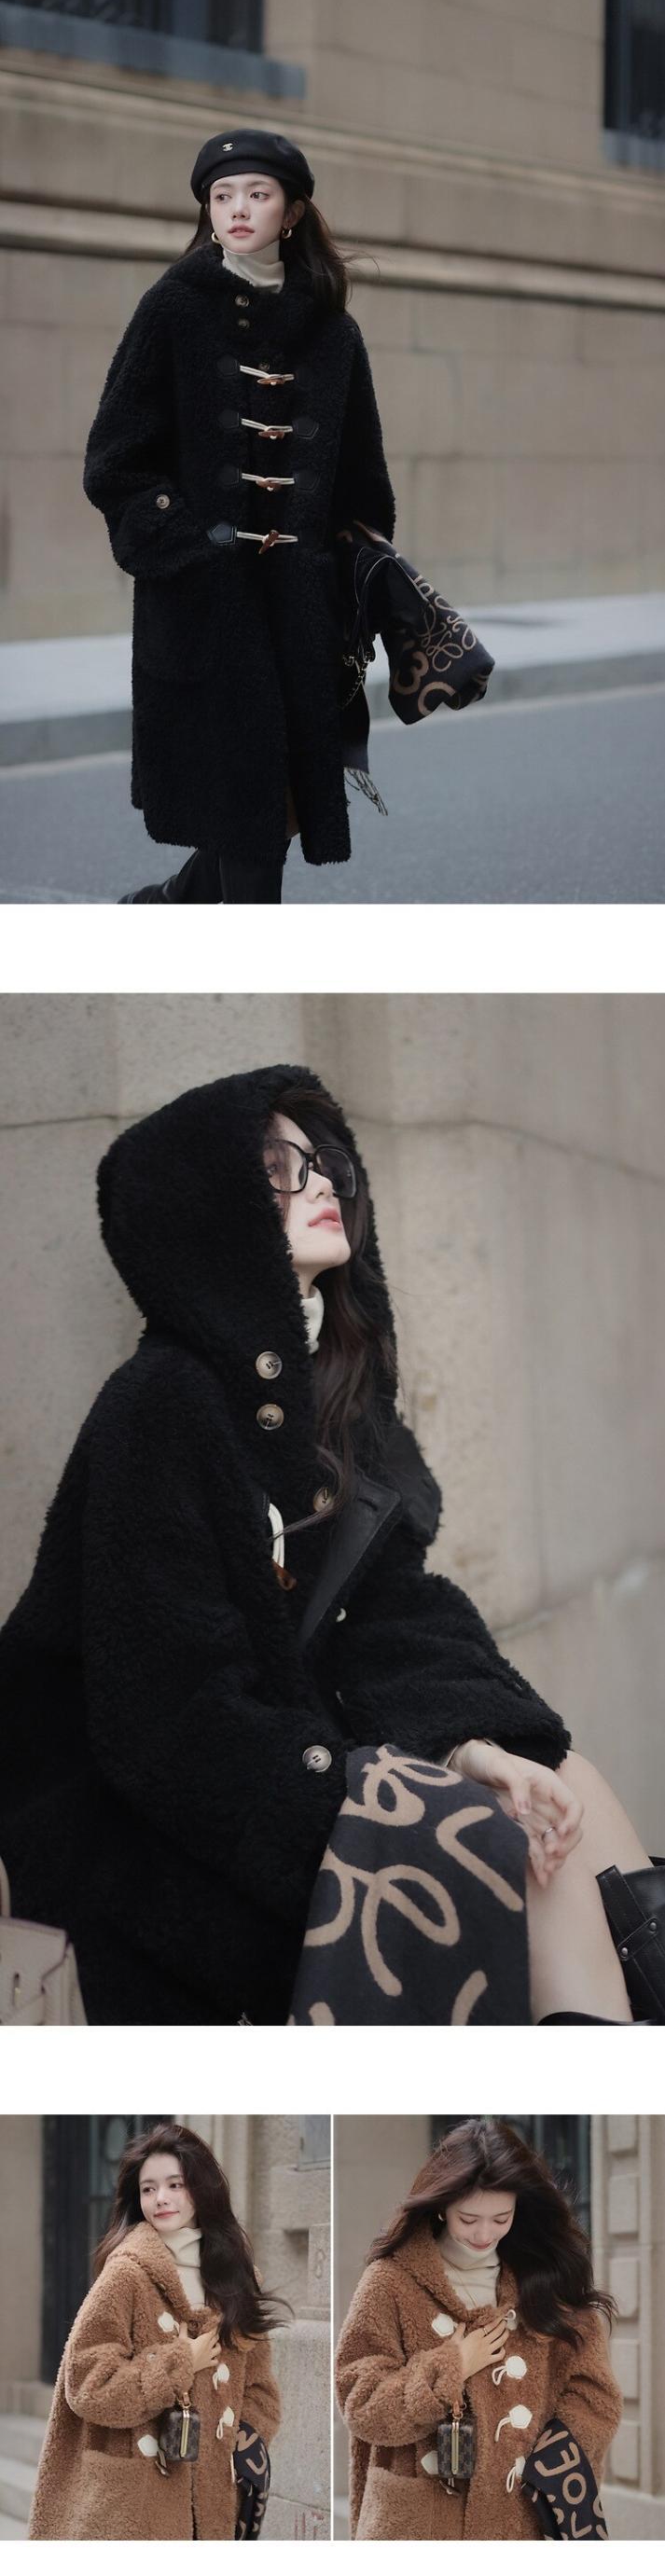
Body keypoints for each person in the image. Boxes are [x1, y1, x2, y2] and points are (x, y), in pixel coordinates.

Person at [0, 1065, 658, 2029]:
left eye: (327, 1164)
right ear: (210, 1207)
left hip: (296, 1768)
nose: (319, 1184)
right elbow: (167, 1719)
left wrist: (471, 1744)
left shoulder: (336, 1400)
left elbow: (393, 1616)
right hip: (163, 1840)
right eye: (278, 1166)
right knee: (502, 1842)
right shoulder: (161, 1403)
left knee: (563, 1785)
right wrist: (373, 1805)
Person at [83, 130, 395, 902]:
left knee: (263, 804)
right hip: (201, 604)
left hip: (300, 609)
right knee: (248, 802)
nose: (237, 209)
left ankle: (171, 904)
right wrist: (188, 545)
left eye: (257, 193)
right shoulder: (171, 309)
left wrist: (350, 585)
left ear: (292, 210)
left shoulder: (333, 333)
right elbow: (115, 460)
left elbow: (362, 481)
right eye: (221, 196)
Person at [335, 2117, 622, 2540]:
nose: (485, 2234)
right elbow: (359, 2402)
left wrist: (548, 2462)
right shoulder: (390, 2281)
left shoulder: (545, 2279)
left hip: (522, 2517)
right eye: (468, 2219)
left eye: (501, 2218)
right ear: (441, 2205)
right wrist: (452, 2365)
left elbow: (595, 2396)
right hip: (421, 2524)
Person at [29, 2120, 281, 2539]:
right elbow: (87, 2383)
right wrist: (180, 2362)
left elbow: (260, 2387)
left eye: (174, 2185)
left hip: (213, 2501)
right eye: (148, 2189)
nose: (160, 2198)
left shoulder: (238, 2278)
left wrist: (242, 2440)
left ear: (202, 2188)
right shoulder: (126, 2274)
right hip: (137, 2502)